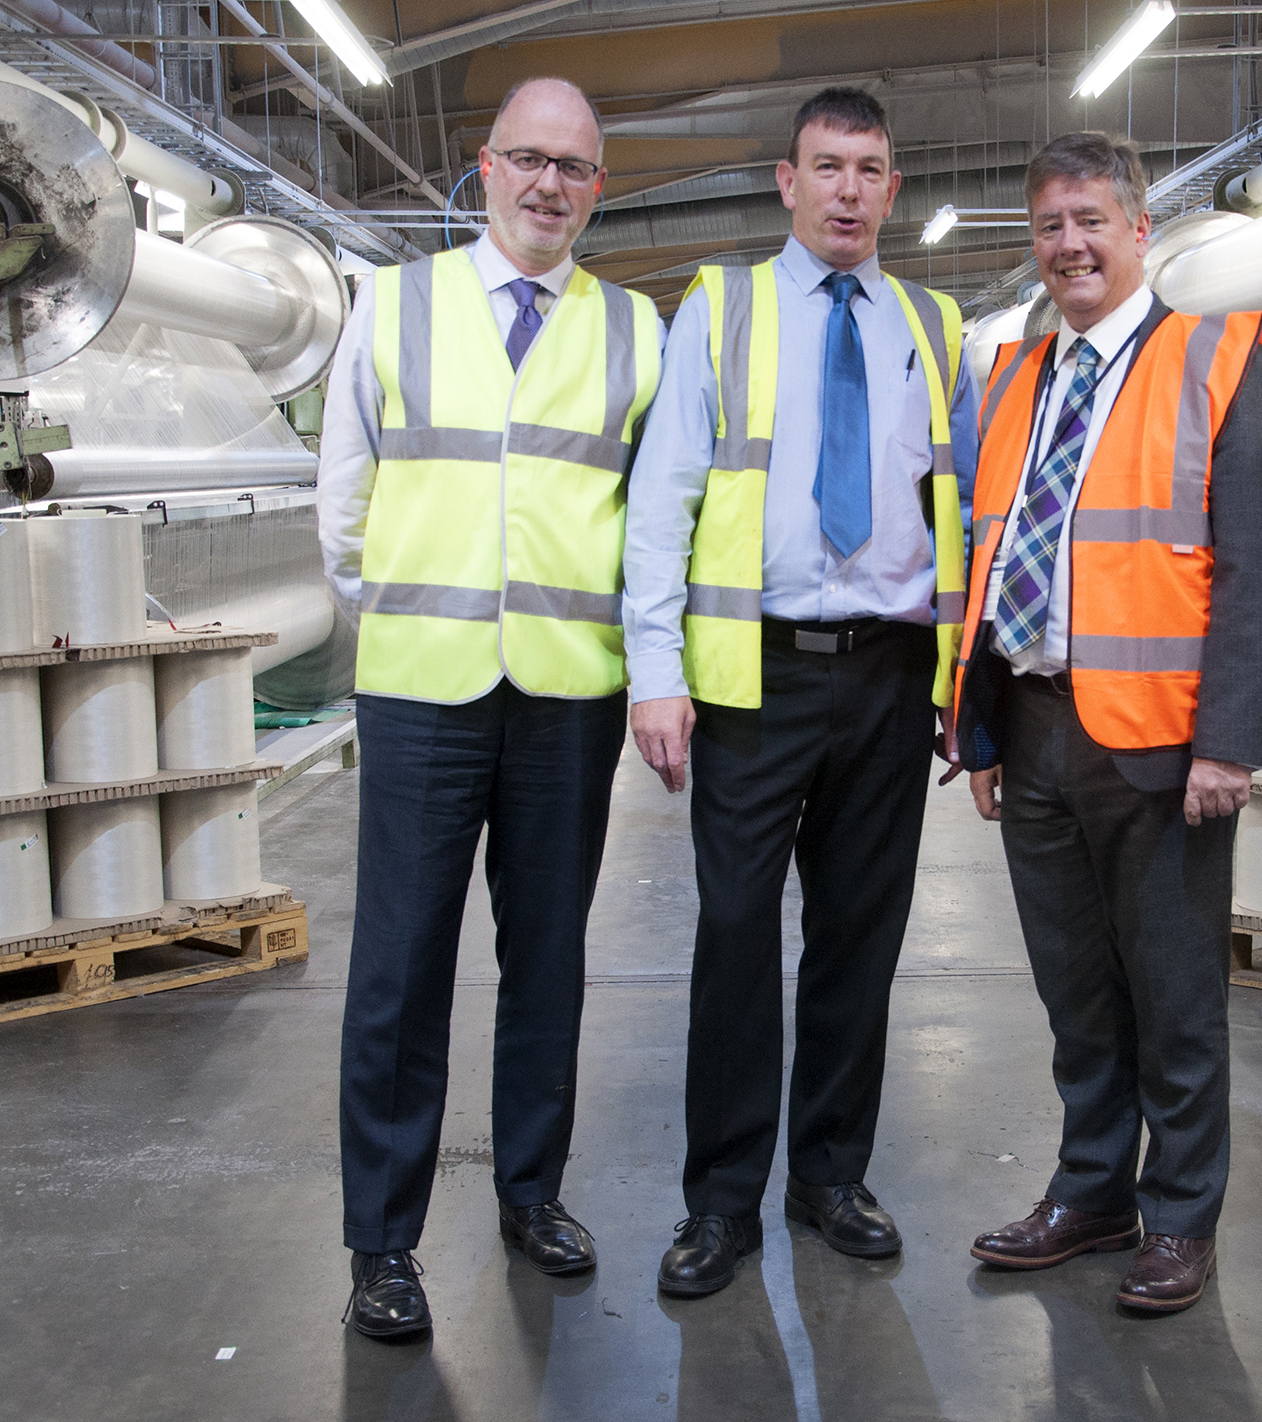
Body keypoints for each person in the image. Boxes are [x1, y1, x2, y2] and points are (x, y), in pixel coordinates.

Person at [317, 76, 664, 1340]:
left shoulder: (636, 329)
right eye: (527, 160)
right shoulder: (394, 302)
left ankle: (531, 1193)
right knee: (399, 975)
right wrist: (404, 619)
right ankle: (383, 1243)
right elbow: (345, 502)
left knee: (549, 964)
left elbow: (649, 514)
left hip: (567, 694)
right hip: (421, 688)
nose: (547, 186)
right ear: (482, 168)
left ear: (598, 188)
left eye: (573, 168)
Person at [621, 86, 980, 1298]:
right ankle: (720, 1203)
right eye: (824, 167)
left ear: (891, 188)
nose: (845, 191)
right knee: (733, 941)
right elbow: (663, 496)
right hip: (754, 679)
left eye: (868, 169)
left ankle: (830, 1175)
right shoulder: (719, 309)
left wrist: (958, 681)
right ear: (785, 182)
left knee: (857, 942)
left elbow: (963, 516)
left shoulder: (932, 324)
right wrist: (657, 674)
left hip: (887, 677)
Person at [954, 131, 1262, 1315]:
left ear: (1139, 230)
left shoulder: (1218, 357)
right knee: (1074, 991)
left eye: (1089, 221)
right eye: (1049, 226)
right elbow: (987, 552)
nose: (1068, 245)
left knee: (1171, 991)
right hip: (1037, 723)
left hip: (1158, 739)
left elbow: (1260, 564)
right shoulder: (1012, 376)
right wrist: (980, 730)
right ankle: (1092, 1189)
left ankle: (1179, 1215)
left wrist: (1229, 739)